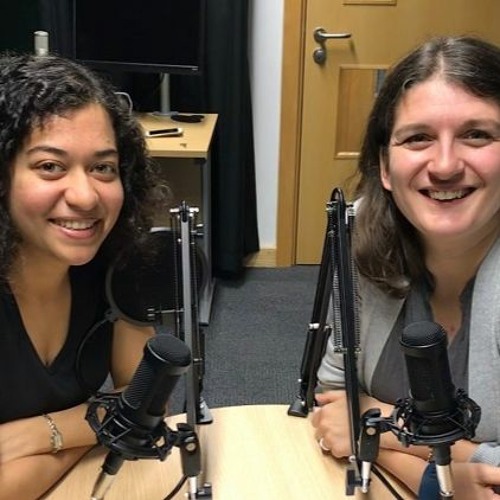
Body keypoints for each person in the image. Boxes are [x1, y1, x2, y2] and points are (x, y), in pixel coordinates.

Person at [311, 35, 500, 499]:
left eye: (477, 134)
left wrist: (379, 429)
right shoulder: (359, 232)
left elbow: (355, 422)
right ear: (384, 166)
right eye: (418, 138)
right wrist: (444, 474)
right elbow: (334, 403)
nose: (445, 165)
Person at [0, 52, 169, 499]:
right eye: (50, 166)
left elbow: (145, 401)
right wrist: (91, 432)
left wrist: (42, 436)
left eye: (102, 168)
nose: (85, 196)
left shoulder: (115, 263)